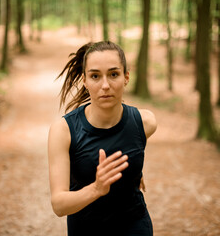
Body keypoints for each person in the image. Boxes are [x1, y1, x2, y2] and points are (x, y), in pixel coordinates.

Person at [48, 41, 157, 236]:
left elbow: (131, 143)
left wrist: (134, 171)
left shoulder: (145, 122)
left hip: (135, 226)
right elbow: (59, 205)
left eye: (114, 74)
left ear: (126, 77)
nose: (105, 85)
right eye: (95, 76)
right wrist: (97, 188)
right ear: (84, 80)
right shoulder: (64, 131)